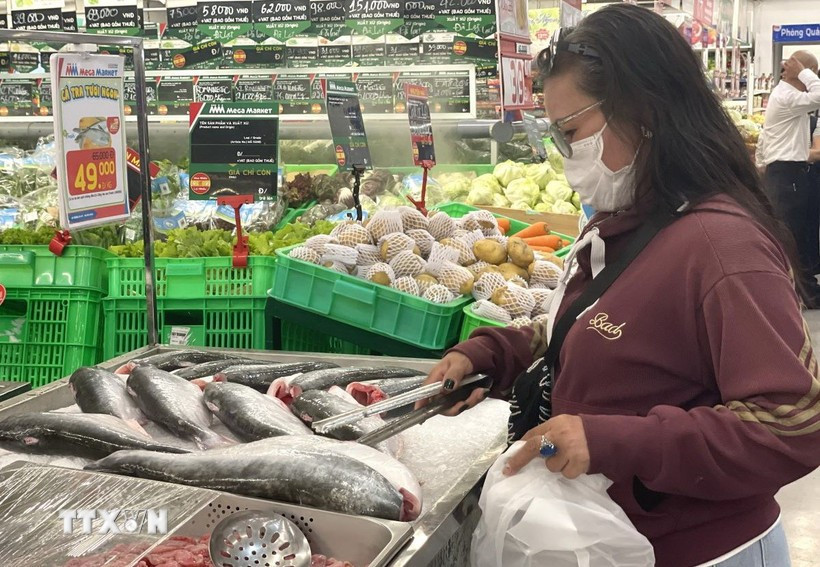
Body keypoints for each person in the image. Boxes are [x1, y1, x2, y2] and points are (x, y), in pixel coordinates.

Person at [419, 5, 820, 567]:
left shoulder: (723, 247)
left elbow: (793, 422)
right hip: (619, 539)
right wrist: (495, 352)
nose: (565, 156)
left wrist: (615, 441)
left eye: (572, 132)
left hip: (705, 550)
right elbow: (599, 326)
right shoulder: (622, 218)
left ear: (643, 109)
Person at [756, 51, 820, 303]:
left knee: (799, 235)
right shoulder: (786, 96)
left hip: (788, 173)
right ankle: (794, 292)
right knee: (790, 236)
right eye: (813, 72)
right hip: (786, 173)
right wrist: (803, 70)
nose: (814, 77)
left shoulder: (789, 96)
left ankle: (806, 290)